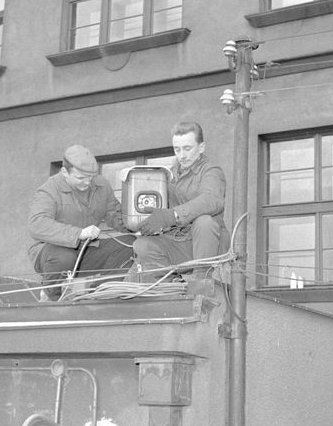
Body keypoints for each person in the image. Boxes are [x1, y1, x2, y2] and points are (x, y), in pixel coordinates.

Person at [27, 144, 135, 300]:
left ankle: (101, 293)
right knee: (64, 257)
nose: (87, 182)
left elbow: (115, 215)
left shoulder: (101, 185)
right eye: (81, 178)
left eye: (91, 177)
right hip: (50, 253)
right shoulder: (48, 190)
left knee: (131, 244)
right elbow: (37, 224)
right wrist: (79, 233)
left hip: (86, 250)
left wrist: (136, 226)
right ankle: (51, 295)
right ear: (65, 172)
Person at [133, 121, 228, 280]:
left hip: (209, 244)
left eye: (187, 148)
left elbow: (212, 200)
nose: (182, 155)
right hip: (180, 242)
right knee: (141, 245)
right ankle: (171, 285)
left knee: (204, 221)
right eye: (177, 149)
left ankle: (201, 281)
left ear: (201, 147)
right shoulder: (168, 175)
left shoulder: (211, 171)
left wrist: (172, 216)